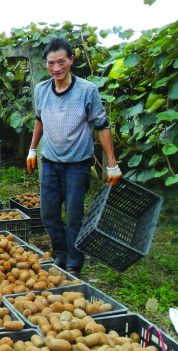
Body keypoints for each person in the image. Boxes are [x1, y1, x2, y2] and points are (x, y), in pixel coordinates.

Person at [27, 37, 122, 278]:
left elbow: (101, 124)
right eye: (51, 63)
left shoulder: (86, 90)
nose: (56, 68)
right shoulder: (41, 91)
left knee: (74, 215)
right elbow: (39, 120)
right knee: (48, 213)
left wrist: (112, 164)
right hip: (49, 161)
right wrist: (32, 149)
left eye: (61, 62)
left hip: (77, 164)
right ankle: (61, 254)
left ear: (71, 60)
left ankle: (74, 263)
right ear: (45, 65)